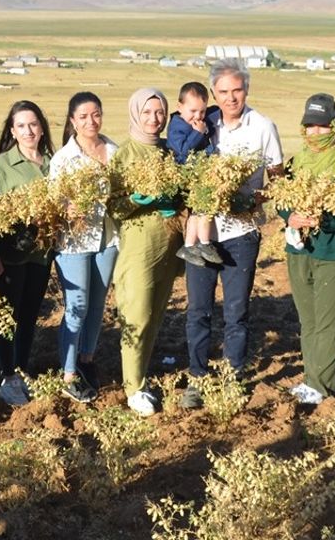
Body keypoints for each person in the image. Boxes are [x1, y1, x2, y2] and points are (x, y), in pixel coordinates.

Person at [181, 59, 283, 410]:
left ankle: (233, 377)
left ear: (246, 90)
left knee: (237, 311)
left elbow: (278, 179)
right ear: (214, 94)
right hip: (201, 234)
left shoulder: (263, 126)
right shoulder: (203, 123)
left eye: (236, 90)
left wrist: (252, 198)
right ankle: (197, 378)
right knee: (198, 310)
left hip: (242, 232)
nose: (230, 97)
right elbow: (179, 162)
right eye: (223, 92)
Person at [280, 95, 335, 406]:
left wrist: (323, 219)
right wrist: (289, 216)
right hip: (301, 253)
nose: (315, 133)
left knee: (330, 324)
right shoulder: (295, 164)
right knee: (310, 322)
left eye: (322, 126)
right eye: (310, 126)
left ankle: (320, 386)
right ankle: (310, 379)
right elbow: (281, 200)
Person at [111, 88, 184, 416]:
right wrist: (136, 199)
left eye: (160, 113)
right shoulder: (124, 154)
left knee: (155, 316)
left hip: (168, 246)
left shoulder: (169, 151)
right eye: (147, 113)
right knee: (136, 315)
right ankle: (133, 388)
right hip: (138, 247)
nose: (154, 119)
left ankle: (141, 377)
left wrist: (174, 204)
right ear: (135, 114)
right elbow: (113, 207)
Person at [49, 92, 120, 402]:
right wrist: (68, 210)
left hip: (108, 239)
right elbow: (52, 202)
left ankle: (87, 360)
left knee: (96, 305)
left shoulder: (114, 151)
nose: (91, 121)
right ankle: (67, 373)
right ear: (72, 121)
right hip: (74, 241)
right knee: (76, 307)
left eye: (96, 114)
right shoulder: (63, 159)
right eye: (83, 116)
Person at [0, 101, 57, 403]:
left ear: (42, 127)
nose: (28, 131)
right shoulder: (3, 164)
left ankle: (21, 369)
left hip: (43, 253)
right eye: (21, 126)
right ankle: (7, 374)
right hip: (12, 254)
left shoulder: (54, 162)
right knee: (9, 315)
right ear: (12, 131)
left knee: (30, 314)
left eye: (33, 124)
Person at [167, 81, 223, 267]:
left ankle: (190, 245)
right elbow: (183, 150)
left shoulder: (200, 118)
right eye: (192, 111)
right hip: (189, 174)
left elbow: (217, 109)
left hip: (200, 173)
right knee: (203, 208)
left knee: (198, 211)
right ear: (179, 107)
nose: (198, 116)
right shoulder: (176, 127)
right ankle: (204, 243)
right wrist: (198, 133)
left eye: (202, 111)